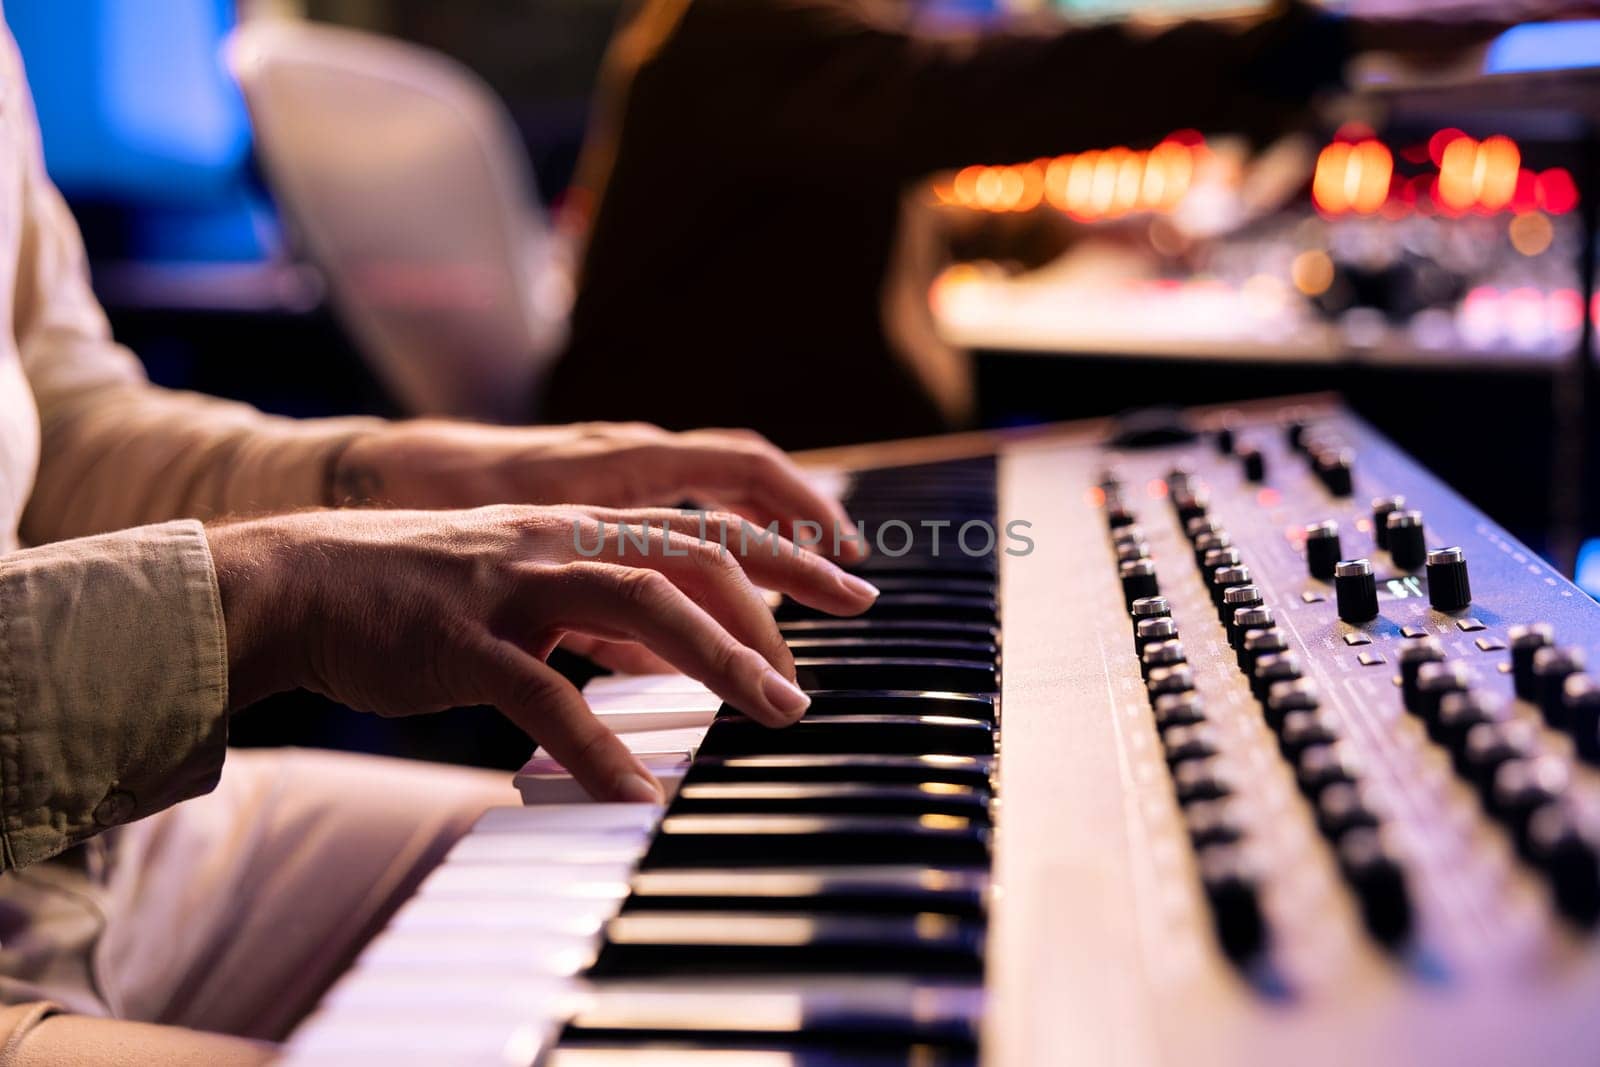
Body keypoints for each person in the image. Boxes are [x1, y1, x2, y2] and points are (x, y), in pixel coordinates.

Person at [0, 18, 877, 1064]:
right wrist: (277, 587)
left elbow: (61, 427)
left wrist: (404, 474)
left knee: (749, 888)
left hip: (105, 851)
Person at [545, 0, 1540, 449]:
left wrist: (1066, 233)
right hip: (714, 495)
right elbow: (984, 93)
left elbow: (847, 199)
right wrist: (1319, 38)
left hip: (792, 466)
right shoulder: (736, 27)